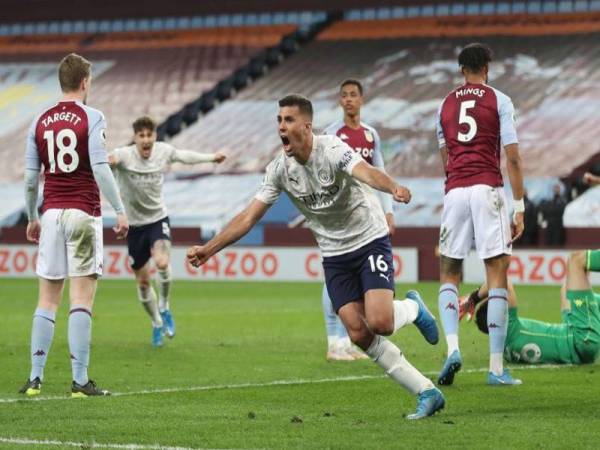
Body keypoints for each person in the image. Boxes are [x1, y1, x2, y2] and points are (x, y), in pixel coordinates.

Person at [187, 94, 445, 420]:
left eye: (289, 120)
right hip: (334, 254)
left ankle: (412, 308)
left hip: (368, 239)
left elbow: (365, 171)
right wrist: (209, 249)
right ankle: (426, 391)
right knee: (357, 332)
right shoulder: (280, 170)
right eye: (279, 120)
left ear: (306, 126)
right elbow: (248, 217)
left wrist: (392, 187)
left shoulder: (332, 149)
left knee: (381, 321)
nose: (281, 126)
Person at [19, 53, 129, 397]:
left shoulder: (40, 120)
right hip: (82, 212)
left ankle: (35, 378)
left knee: (47, 300)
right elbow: (99, 167)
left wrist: (32, 217)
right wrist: (120, 210)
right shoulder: (92, 117)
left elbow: (29, 179)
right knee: (81, 298)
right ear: (84, 82)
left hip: (50, 214)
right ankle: (80, 381)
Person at [435, 43, 525, 386]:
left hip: (455, 191)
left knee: (449, 271)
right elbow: (513, 158)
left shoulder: (444, 104)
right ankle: (496, 369)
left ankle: (453, 349)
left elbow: (445, 160)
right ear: (487, 67)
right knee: (497, 273)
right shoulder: (499, 100)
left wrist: (457, 182)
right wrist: (519, 206)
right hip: (487, 188)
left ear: (461, 70)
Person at [108, 116, 225, 347]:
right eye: (141, 136)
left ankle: (164, 306)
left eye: (149, 135)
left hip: (157, 219)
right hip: (134, 226)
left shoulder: (163, 151)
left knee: (162, 263)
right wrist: (105, 161)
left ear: (154, 136)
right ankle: (155, 322)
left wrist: (212, 157)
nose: (146, 140)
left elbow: (185, 157)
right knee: (142, 284)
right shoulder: (124, 155)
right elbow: (106, 162)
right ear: (135, 138)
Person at [320, 78, 394, 361]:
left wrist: (388, 212)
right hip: (338, 215)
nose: (349, 99)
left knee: (356, 283)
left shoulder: (371, 135)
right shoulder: (331, 133)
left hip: (367, 216)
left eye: (354, 95)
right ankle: (333, 341)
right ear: (340, 101)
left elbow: (380, 173)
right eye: (345, 95)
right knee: (333, 277)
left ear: (361, 100)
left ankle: (345, 341)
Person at [461, 250, 600, 365]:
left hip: (576, 347)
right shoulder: (511, 325)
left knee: (566, 290)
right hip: (582, 338)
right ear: (500, 315)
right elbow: (503, 281)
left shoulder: (505, 349)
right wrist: (473, 298)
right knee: (576, 260)